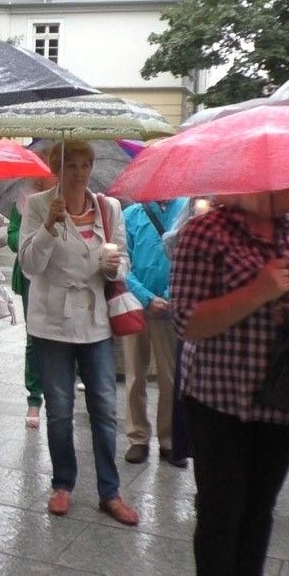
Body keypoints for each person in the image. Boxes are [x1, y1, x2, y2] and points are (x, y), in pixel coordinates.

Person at [171, 188, 289, 575]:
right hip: (219, 401)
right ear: (265, 185)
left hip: (283, 399)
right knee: (220, 515)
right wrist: (258, 291)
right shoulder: (203, 232)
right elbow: (186, 322)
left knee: (260, 511)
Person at [18, 139, 139, 526]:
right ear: (56, 168)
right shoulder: (39, 206)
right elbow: (29, 265)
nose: (80, 172)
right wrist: (48, 228)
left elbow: (123, 260)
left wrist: (114, 266)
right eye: (71, 165)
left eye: (86, 165)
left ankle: (110, 491)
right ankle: (63, 484)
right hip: (52, 322)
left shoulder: (108, 208)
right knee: (60, 409)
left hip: (95, 321)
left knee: (104, 407)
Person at [120, 196, 190, 466]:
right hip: (135, 305)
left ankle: (169, 439)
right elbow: (123, 264)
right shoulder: (131, 215)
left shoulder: (186, 210)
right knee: (135, 375)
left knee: (170, 377)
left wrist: (170, 296)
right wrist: (146, 297)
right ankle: (137, 437)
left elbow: (190, 259)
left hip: (170, 307)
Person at [9, 170, 56, 429]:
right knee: (33, 335)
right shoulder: (23, 200)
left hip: (57, 275)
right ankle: (34, 397)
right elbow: (12, 235)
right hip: (30, 275)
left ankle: (68, 379)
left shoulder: (67, 202)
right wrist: (31, 237)